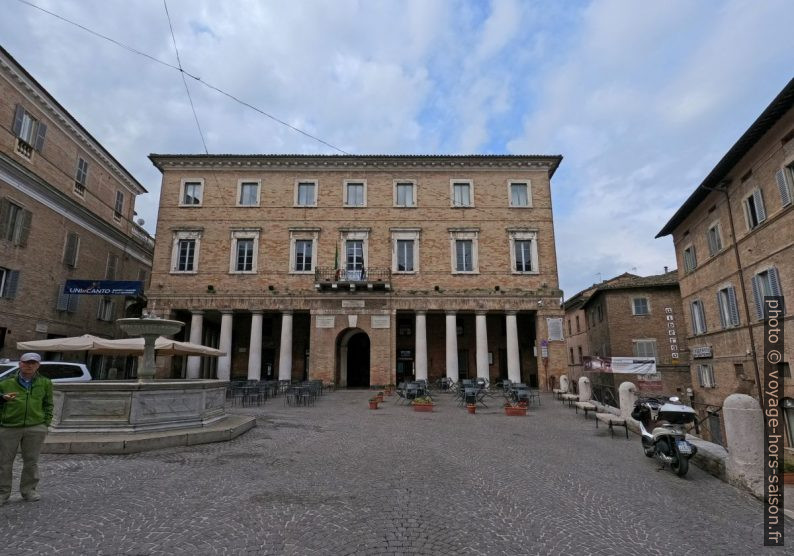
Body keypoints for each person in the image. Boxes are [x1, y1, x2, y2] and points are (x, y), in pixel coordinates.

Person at [0, 352, 53, 505]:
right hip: (9, 427)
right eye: (26, 362)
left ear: (38, 366)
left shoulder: (45, 383)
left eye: (33, 363)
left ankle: (29, 490)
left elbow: (48, 404)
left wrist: (45, 423)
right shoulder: (5, 383)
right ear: (20, 364)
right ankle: (2, 493)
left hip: (35, 427)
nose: (29, 365)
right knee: (4, 462)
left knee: (31, 461)